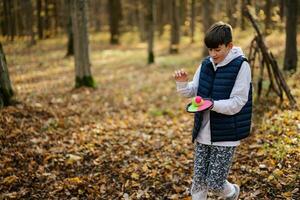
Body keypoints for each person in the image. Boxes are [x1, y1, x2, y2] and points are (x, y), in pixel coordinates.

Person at [173, 21, 252, 200]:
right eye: (210, 50)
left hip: (226, 135)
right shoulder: (206, 64)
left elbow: (239, 102)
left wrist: (212, 104)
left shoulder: (241, 66)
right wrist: (182, 83)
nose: (213, 54)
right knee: (199, 181)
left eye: (217, 50)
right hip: (203, 131)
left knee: (216, 183)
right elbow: (193, 91)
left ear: (229, 46)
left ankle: (232, 193)